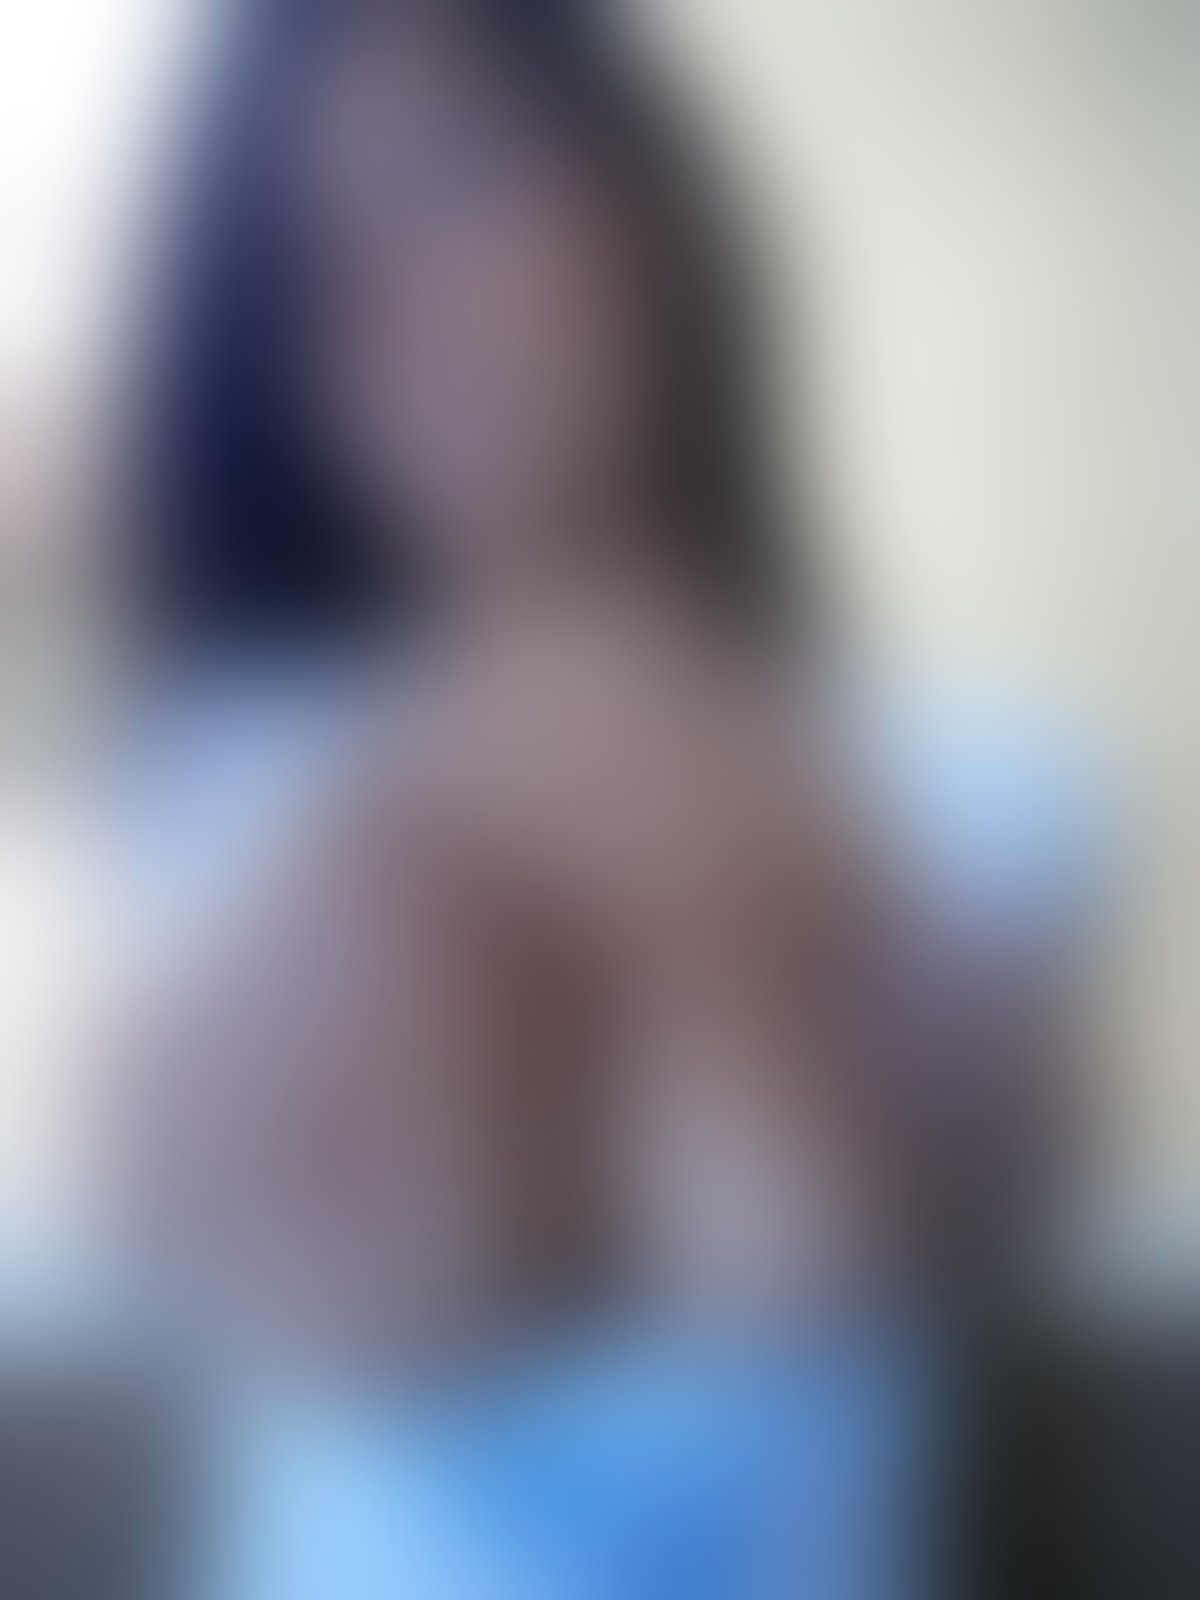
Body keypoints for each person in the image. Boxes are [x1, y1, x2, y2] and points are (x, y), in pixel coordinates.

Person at [112, 1, 1089, 1593]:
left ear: (648, 208)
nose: (389, 300)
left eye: (454, 171)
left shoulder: (977, 786)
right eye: (310, 261)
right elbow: (349, 1280)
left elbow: (808, 1267)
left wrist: (700, 894)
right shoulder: (236, 786)